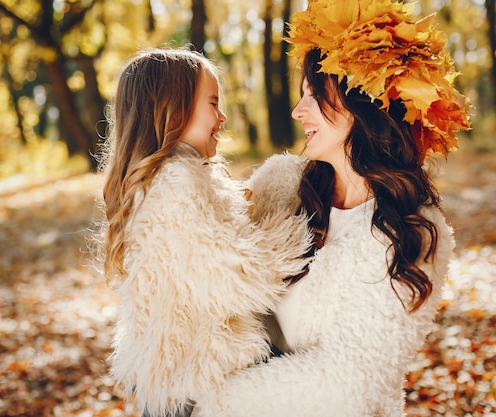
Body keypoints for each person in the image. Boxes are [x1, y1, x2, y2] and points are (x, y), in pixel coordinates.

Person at [192, 0, 471, 416]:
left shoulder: (410, 229)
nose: (297, 111)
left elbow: (347, 387)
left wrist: (207, 401)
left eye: (314, 95)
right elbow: (197, 251)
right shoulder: (283, 185)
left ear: (362, 103)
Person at [96, 47, 312, 417]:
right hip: (190, 386)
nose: (223, 116)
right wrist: (292, 214)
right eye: (213, 103)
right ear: (173, 110)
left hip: (181, 375)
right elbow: (243, 275)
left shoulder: (175, 180)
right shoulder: (175, 185)